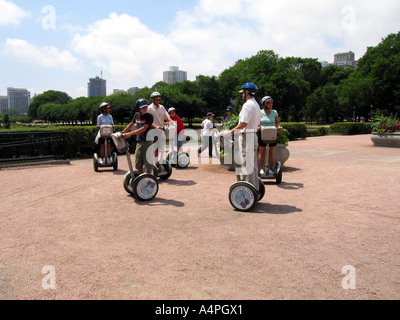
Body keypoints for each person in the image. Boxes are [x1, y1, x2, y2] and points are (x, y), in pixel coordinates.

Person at [224, 82, 261, 192]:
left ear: (246, 93)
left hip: (246, 137)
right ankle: (255, 187)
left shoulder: (247, 105)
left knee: (246, 164)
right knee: (253, 164)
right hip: (253, 135)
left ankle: (248, 190)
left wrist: (229, 132)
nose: (242, 95)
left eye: (243, 93)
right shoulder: (256, 105)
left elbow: (243, 124)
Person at [121, 99, 154, 175]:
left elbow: (143, 128)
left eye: (146, 107)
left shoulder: (149, 116)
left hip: (147, 142)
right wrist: (123, 132)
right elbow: (131, 124)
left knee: (148, 163)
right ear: (138, 109)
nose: (145, 109)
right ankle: (142, 177)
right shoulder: (136, 115)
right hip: (139, 141)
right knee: (138, 162)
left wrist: (130, 133)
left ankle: (149, 178)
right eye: (143, 107)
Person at [148, 92, 176, 164]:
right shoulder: (149, 108)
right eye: (157, 100)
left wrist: (172, 122)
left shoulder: (161, 107)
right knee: (153, 147)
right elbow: (148, 121)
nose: (158, 101)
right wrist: (156, 126)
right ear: (152, 100)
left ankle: (156, 162)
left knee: (158, 147)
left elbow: (167, 117)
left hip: (161, 130)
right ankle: (152, 162)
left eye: (159, 100)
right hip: (152, 130)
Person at [258, 96, 283, 176]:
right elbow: (258, 122)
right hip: (262, 133)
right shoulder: (260, 112)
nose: (271, 104)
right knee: (262, 151)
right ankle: (261, 169)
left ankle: (270, 169)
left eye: (271, 102)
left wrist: (279, 126)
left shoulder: (274, 112)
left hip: (272, 132)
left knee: (271, 151)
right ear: (265, 104)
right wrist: (258, 127)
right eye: (269, 103)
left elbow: (277, 122)